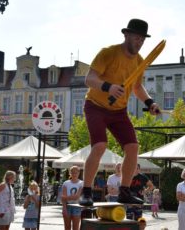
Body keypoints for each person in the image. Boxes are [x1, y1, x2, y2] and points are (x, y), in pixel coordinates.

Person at [80, 18, 160, 206]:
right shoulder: (108, 53)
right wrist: (108, 86)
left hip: (118, 111)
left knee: (133, 147)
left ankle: (125, 190)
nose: (139, 43)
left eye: (142, 40)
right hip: (96, 106)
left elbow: (137, 87)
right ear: (126, 35)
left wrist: (150, 103)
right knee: (99, 146)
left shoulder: (139, 62)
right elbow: (89, 79)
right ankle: (86, 191)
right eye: (136, 38)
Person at [62, 166, 83, 230]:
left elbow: (76, 197)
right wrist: (64, 208)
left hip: (77, 206)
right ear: (70, 173)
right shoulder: (66, 183)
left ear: (78, 173)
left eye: (75, 172)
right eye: (72, 172)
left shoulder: (81, 183)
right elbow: (63, 198)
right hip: (67, 206)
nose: (74, 174)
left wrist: (66, 197)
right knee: (67, 227)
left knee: (75, 228)